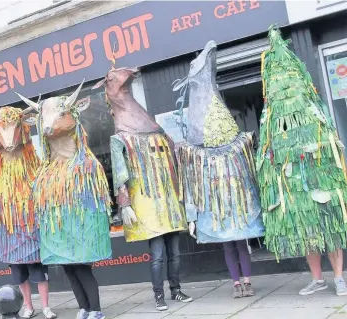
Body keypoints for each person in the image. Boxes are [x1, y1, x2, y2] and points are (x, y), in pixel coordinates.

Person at [93, 61, 192, 311]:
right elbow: (119, 172)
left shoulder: (156, 132)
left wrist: (184, 194)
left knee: (175, 253)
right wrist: (124, 202)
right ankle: (159, 295)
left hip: (168, 200)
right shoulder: (120, 138)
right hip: (146, 203)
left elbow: (173, 158)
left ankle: (176, 289)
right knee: (157, 254)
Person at [256, 26, 347, 297]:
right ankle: (318, 279)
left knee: (330, 232)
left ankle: (340, 278)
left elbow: (333, 151)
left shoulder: (315, 116)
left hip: (322, 180)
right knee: (308, 234)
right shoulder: (271, 124)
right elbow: (268, 160)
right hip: (296, 190)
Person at [172, 40, 264, 299]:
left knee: (240, 243)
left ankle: (247, 281)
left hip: (236, 202)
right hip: (217, 204)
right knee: (229, 244)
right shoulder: (202, 149)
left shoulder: (237, 145)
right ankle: (236, 283)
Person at [17, 83, 112, 319]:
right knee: (70, 269)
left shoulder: (87, 166)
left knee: (82, 267)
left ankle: (96, 309)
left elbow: (95, 205)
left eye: (59, 115)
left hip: (80, 232)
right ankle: (83, 307)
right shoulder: (45, 172)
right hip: (60, 234)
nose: (48, 124)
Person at [0, 106, 56, 318]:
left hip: (32, 231)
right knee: (19, 275)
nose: (7, 137)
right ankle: (29, 306)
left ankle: (46, 306)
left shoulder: (34, 167)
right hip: (11, 235)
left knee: (39, 272)